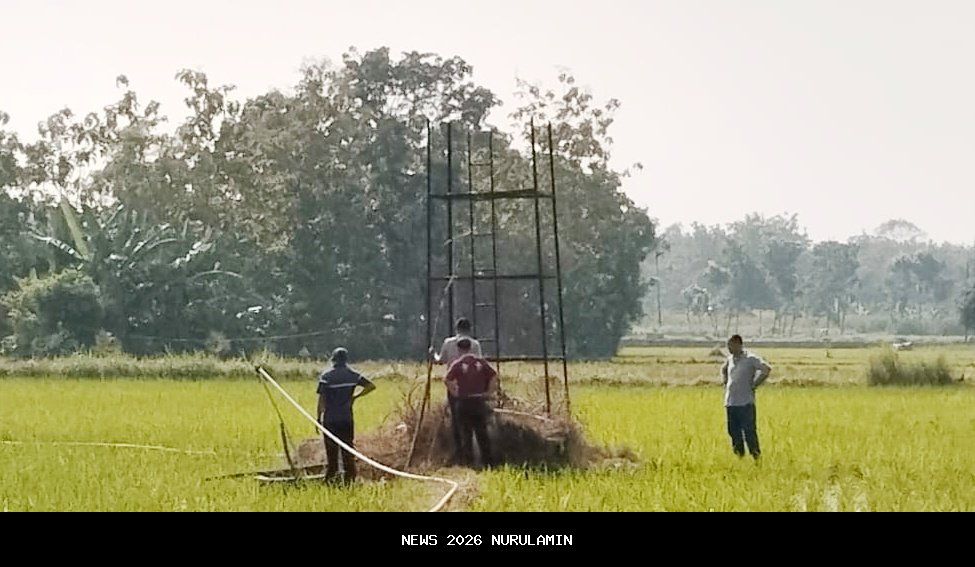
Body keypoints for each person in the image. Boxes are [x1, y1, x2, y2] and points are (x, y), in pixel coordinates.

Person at [316, 347, 376, 483]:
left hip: (330, 420)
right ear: (345, 360)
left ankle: (332, 479)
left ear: (333, 360)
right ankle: (350, 480)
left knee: (332, 453)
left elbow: (321, 400)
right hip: (346, 419)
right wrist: (355, 396)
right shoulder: (353, 375)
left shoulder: (326, 376)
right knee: (347, 450)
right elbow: (371, 386)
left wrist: (318, 417)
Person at [430, 318, 482, 462]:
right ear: (469, 329)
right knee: (474, 421)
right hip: (472, 387)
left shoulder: (448, 343)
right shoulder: (475, 344)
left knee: (457, 420)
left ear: (456, 329)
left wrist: (433, 353)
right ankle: (475, 452)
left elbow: (440, 360)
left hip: (453, 386)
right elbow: (479, 362)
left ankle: (460, 452)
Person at [444, 339, 498, 468]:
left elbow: (446, 379)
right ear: (471, 348)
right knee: (482, 433)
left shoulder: (458, 364)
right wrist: (489, 391)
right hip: (478, 401)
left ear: (459, 350)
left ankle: (469, 462)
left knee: (466, 433)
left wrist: (454, 392)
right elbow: (494, 375)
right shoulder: (481, 362)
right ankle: (488, 461)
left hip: (464, 402)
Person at [720, 335, 772, 460]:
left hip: (745, 403)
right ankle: (740, 458)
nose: (729, 348)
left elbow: (766, 369)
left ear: (739, 345)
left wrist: (755, 384)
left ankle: (756, 458)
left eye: (731, 345)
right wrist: (725, 381)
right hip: (731, 403)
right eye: (728, 346)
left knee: (749, 432)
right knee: (733, 432)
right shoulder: (730, 359)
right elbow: (723, 369)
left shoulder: (750, 358)